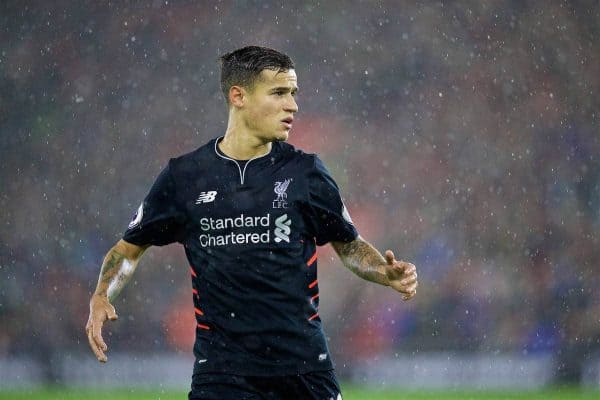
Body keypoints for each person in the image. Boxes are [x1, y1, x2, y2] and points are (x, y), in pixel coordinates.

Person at [85, 45, 418, 400]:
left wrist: (384, 272)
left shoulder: (307, 173)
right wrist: (101, 295)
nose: (292, 105)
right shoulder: (184, 176)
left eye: (293, 93)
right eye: (278, 93)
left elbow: (348, 246)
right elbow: (129, 249)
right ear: (238, 96)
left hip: (303, 369)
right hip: (222, 373)